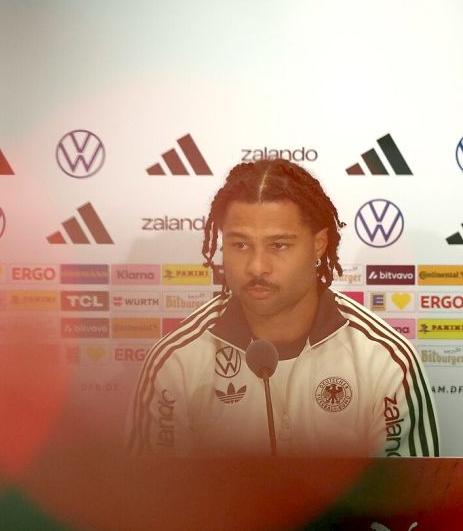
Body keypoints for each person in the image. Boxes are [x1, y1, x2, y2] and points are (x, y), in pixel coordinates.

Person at [128, 158, 438, 457]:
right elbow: (153, 503)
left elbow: (410, 503)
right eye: (240, 245)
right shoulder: (176, 360)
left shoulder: (383, 357)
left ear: (318, 244)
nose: (256, 266)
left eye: (278, 245)